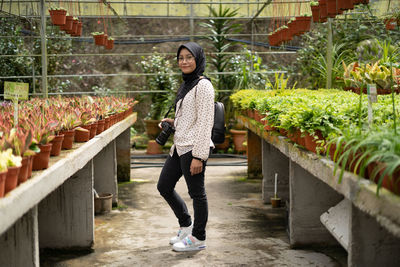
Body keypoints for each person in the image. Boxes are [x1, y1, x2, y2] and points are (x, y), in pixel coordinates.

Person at [157, 42, 215, 252]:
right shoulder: (187, 84)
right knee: (164, 186)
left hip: (193, 148)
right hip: (179, 145)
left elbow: (205, 122)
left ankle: (198, 238)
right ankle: (186, 225)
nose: (184, 61)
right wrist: (173, 122)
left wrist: (199, 156)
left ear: (198, 59)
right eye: (181, 58)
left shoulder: (204, 86)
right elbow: (191, 117)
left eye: (189, 57)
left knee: (197, 194)